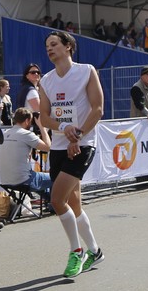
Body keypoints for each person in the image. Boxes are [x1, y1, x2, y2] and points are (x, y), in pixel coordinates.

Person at [38, 29, 105, 278]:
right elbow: (45, 117)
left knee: (57, 200)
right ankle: (95, 251)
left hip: (83, 144)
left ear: (68, 46)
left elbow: (97, 109)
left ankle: (76, 251)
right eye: (47, 45)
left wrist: (78, 135)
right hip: (58, 146)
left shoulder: (86, 71)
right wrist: (64, 127)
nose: (49, 48)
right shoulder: (46, 80)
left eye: (54, 43)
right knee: (74, 204)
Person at [0, 107, 52, 203]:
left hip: (6, 181)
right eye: (31, 121)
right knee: (56, 177)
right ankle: (55, 205)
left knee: (40, 179)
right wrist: (42, 127)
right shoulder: (26, 134)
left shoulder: (5, 133)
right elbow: (48, 147)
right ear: (27, 120)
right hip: (24, 181)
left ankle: (51, 202)